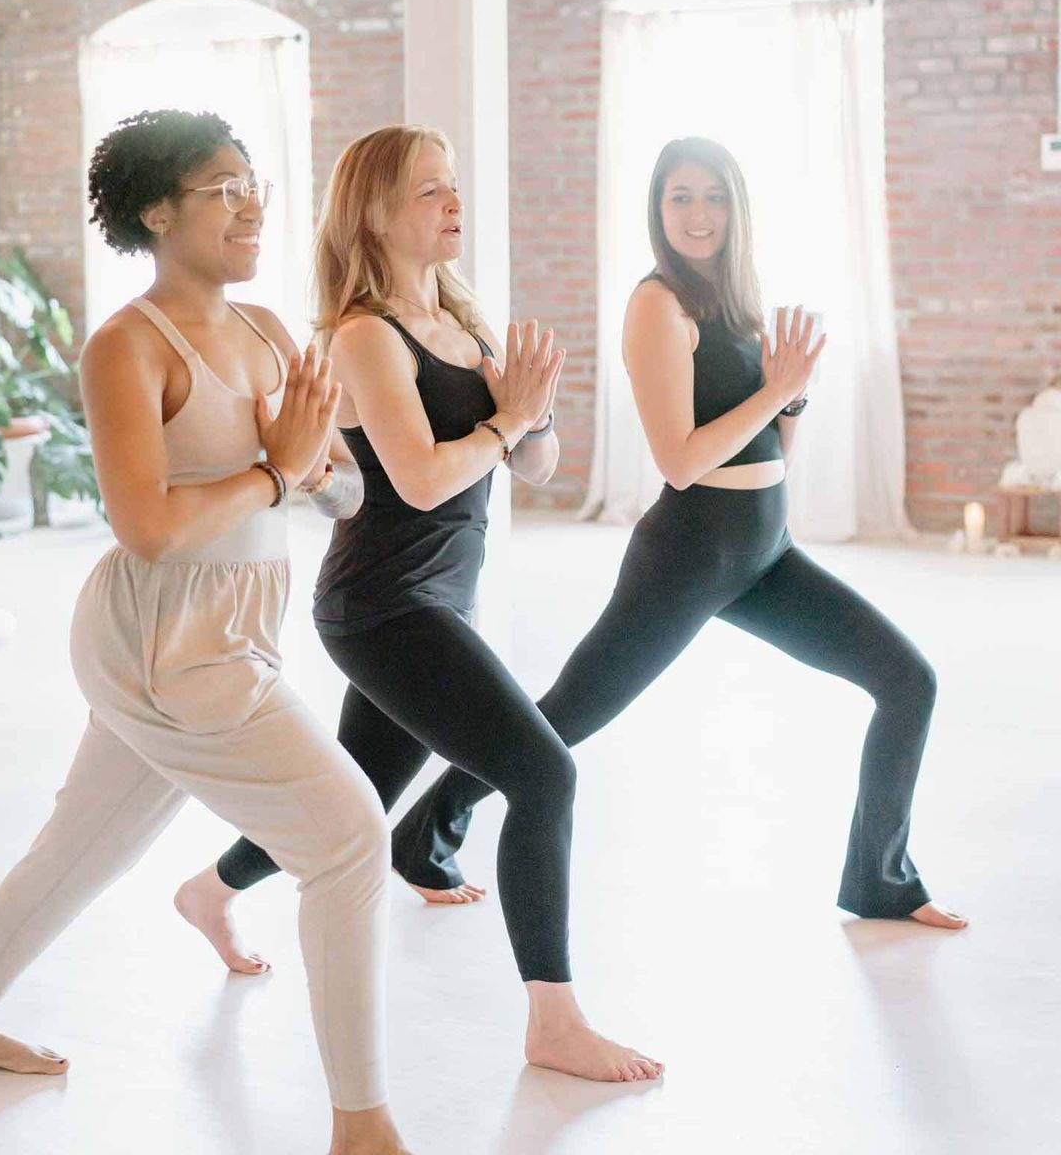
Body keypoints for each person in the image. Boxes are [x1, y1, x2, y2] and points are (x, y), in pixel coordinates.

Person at [0, 109, 412, 1155]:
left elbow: (350, 492)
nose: (251, 206)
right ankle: (362, 1129)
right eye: (222, 188)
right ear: (157, 211)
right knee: (350, 836)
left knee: (85, 840)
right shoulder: (128, 347)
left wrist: (310, 468)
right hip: (160, 635)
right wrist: (280, 468)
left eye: (253, 184)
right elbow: (145, 527)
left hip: (239, 621)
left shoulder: (273, 332)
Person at [331, 134, 968, 933]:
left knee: (908, 681)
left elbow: (773, 454)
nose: (697, 214)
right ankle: (428, 831)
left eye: (712, 197)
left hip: (765, 550)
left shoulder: (738, 304)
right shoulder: (655, 303)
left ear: (737, 208)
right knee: (565, 718)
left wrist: (792, 402)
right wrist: (776, 392)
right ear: (657, 212)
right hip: (691, 553)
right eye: (680, 198)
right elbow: (681, 461)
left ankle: (882, 880)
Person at [177, 124, 663, 1083]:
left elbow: (539, 463)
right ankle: (554, 1022)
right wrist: (507, 417)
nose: (452, 206)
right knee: (546, 775)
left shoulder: (468, 318)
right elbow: (425, 478)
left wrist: (525, 415)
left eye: (452, 188)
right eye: (429, 191)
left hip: (443, 596)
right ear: (375, 214)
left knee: (353, 799)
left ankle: (208, 889)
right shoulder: (364, 334)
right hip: (384, 607)